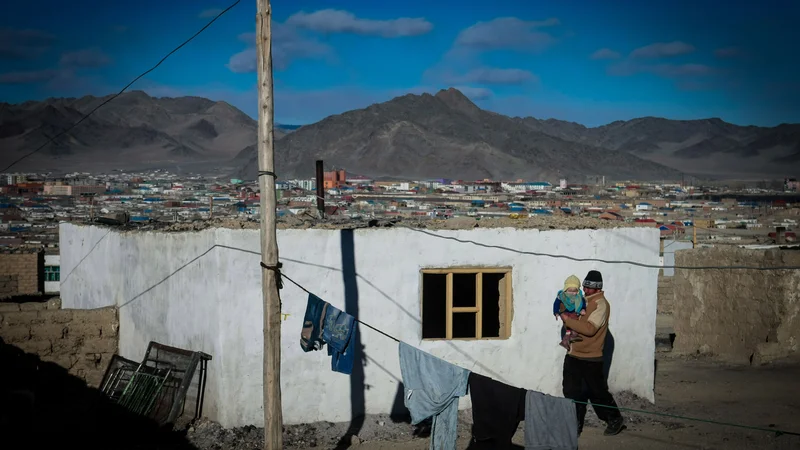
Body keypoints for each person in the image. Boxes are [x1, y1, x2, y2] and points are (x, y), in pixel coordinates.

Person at [559, 270, 625, 437]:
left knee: (598, 392)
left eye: (588, 287)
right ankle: (575, 424)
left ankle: (615, 419)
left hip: (591, 358)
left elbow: (589, 329)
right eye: (584, 286)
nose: (585, 289)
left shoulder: (601, 305)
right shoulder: (581, 301)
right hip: (574, 355)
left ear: (597, 289)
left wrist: (568, 320)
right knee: (572, 391)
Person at [552, 275, 586, 350]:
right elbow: (556, 304)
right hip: (565, 313)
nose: (572, 293)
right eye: (570, 291)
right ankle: (572, 336)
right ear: (565, 290)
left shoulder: (579, 297)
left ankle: (566, 341)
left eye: (575, 291)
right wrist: (556, 312)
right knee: (569, 325)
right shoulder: (562, 296)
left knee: (573, 323)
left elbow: (583, 303)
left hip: (575, 313)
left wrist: (583, 309)